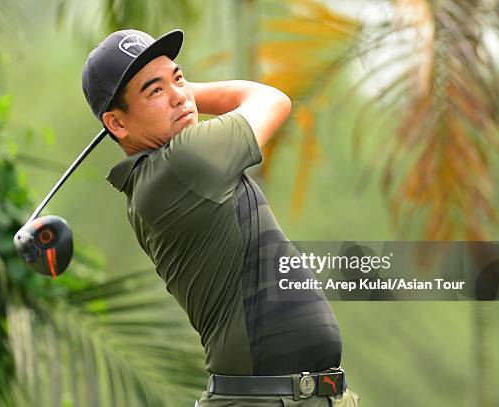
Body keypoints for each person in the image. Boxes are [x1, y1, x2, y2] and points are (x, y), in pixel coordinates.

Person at [82, 28, 360, 407]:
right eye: (155, 91)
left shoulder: (164, 173)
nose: (180, 95)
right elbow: (271, 99)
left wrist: (171, 91)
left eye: (178, 78)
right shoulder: (184, 163)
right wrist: (189, 87)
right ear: (116, 124)